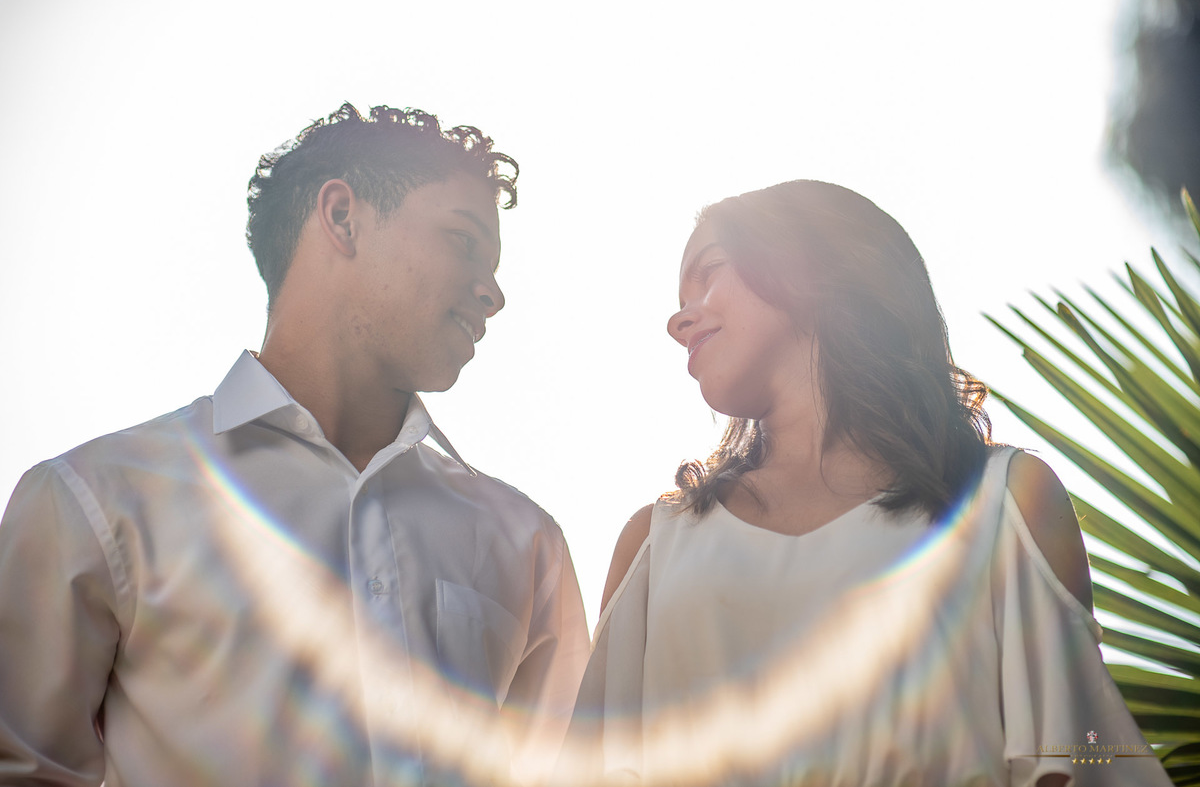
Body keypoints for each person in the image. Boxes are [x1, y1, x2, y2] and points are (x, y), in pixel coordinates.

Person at [0, 103, 590, 786]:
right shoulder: (95, 501)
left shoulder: (528, 543)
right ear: (341, 216)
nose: (494, 295)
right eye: (463, 241)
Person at [559, 180, 1170, 786]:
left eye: (709, 271)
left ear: (807, 266)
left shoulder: (1004, 503)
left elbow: (1074, 762)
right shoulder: (653, 547)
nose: (678, 320)